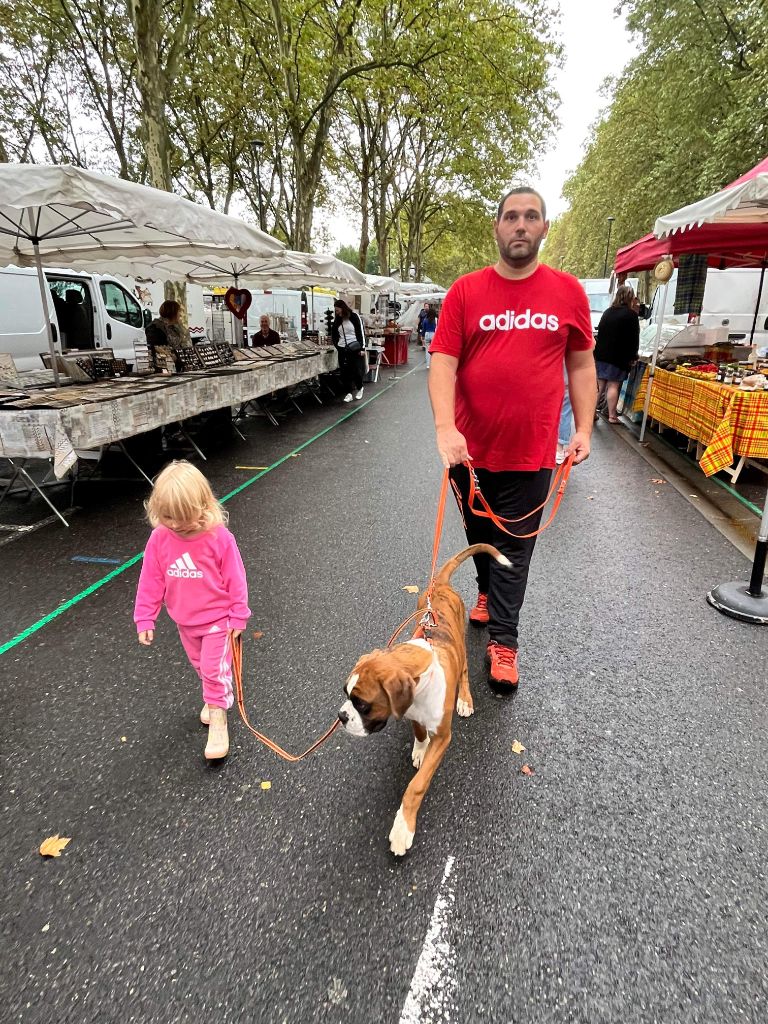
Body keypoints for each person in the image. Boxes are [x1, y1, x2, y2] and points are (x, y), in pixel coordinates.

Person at [427, 186, 596, 690]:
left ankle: (504, 640)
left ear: (545, 227)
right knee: (481, 540)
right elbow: (443, 364)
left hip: (532, 453)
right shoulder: (465, 291)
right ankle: (485, 592)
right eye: (511, 216)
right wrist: (445, 428)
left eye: (531, 217)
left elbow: (581, 365)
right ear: (497, 227)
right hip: (469, 454)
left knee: (515, 550)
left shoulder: (568, 292)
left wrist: (584, 428)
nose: (520, 225)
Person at [133, 460, 251, 761]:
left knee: (212, 669)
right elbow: (151, 579)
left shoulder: (219, 538)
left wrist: (239, 614)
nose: (175, 525)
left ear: (203, 506)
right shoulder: (160, 538)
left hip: (218, 621)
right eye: (168, 517)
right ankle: (215, 696)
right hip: (185, 622)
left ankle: (219, 721)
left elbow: (236, 579)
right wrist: (145, 616)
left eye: (183, 517)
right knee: (202, 668)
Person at [593, 285, 640, 424]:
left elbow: (600, 333)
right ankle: (612, 416)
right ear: (630, 298)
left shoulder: (608, 312)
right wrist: (633, 356)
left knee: (599, 386)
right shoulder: (631, 315)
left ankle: (591, 413)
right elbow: (633, 338)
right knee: (613, 386)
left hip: (601, 355)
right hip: (619, 357)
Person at [331, 298, 366, 402]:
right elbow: (334, 334)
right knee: (344, 372)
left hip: (355, 347)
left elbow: (361, 333)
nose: (337, 312)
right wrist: (337, 345)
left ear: (343, 308)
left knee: (356, 370)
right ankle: (348, 393)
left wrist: (362, 348)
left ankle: (360, 388)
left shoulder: (354, 317)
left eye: (338, 310)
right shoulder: (337, 320)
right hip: (342, 348)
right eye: (336, 311)